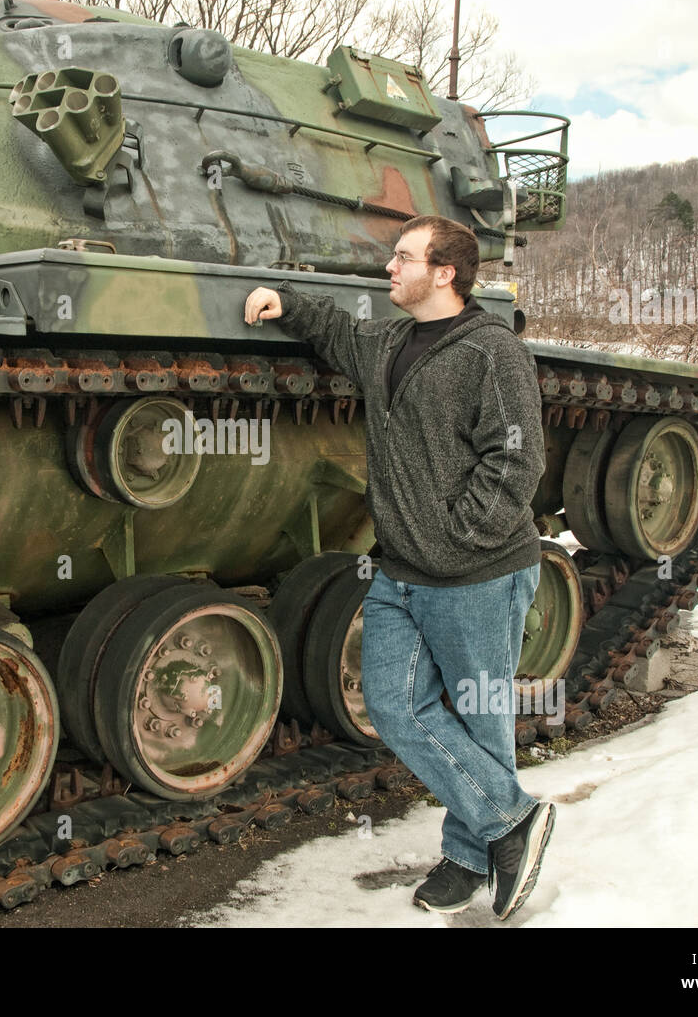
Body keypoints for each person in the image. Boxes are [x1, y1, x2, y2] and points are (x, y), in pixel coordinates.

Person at [243, 215, 555, 920]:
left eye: (404, 257)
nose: (390, 267)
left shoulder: (491, 352)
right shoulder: (387, 341)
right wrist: (287, 304)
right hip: (400, 574)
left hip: (476, 572)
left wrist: (456, 540)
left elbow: (517, 460)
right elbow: (333, 330)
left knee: (480, 720)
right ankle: (510, 820)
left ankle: (471, 854)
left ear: (444, 272)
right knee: (391, 704)